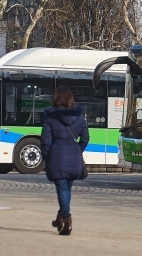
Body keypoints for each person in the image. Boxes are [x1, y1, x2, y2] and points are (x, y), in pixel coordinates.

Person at [41, 86, 89, 236]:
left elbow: (45, 139)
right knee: (67, 189)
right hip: (74, 156)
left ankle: (67, 219)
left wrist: (46, 155)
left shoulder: (50, 116)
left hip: (57, 155)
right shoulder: (79, 117)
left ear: (55, 98)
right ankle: (60, 217)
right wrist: (77, 150)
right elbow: (86, 138)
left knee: (61, 189)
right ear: (70, 99)